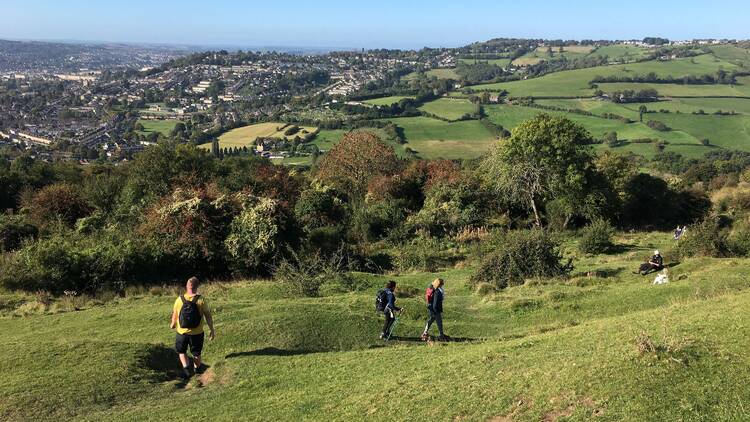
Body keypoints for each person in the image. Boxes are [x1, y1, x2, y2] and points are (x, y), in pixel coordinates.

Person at [170, 276, 215, 380]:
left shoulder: (179, 299)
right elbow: (208, 315)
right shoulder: (201, 300)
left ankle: (186, 371)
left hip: (182, 333)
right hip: (197, 333)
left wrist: (172, 324)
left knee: (182, 351)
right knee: (196, 353)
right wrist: (212, 330)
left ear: (186, 286)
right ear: (197, 287)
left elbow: (175, 314)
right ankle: (197, 369)